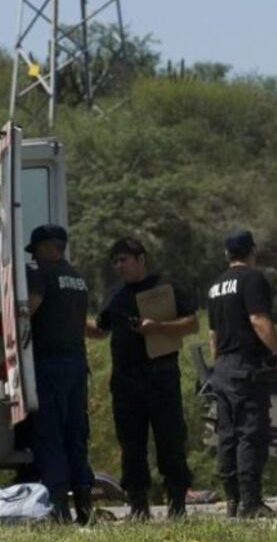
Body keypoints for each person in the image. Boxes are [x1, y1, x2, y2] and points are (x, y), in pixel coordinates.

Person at [89, 238, 199, 519]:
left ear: (141, 259)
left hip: (161, 378)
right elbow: (101, 331)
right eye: (115, 261)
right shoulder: (114, 294)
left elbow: (192, 323)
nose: (119, 266)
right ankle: (138, 506)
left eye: (124, 259)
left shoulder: (165, 288)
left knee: (170, 442)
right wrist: (70, 318)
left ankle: (177, 504)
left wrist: (158, 327)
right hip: (126, 381)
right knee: (131, 446)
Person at [206, 229, 277, 518]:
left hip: (222, 368)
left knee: (227, 436)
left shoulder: (215, 286)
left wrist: (221, 365)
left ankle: (233, 501)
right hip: (246, 368)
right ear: (252, 251)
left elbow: (213, 335)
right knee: (250, 434)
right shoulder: (252, 279)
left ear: (226, 254)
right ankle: (251, 503)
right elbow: (259, 321)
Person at [25, 224, 95, 524]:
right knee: (75, 435)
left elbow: (29, 309)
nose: (35, 258)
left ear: (47, 248)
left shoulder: (42, 275)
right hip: (77, 366)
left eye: (37, 251)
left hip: (50, 366)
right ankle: (84, 506)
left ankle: (59, 508)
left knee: (50, 434)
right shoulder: (78, 279)